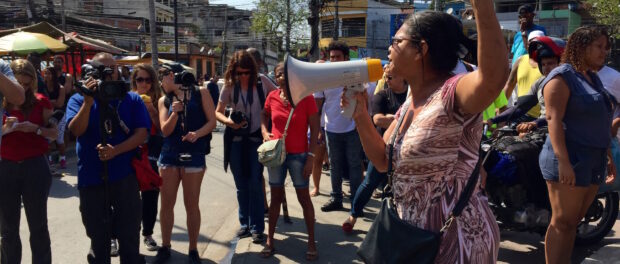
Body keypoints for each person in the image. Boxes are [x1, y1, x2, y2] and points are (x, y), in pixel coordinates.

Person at [343, 3, 508, 262]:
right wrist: (361, 114)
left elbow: (492, 79)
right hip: (411, 238)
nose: (389, 48)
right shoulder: (411, 102)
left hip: (457, 241)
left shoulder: (451, 93)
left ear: (421, 49)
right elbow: (383, 161)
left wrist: (482, 7)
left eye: (397, 41)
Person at [538, 26, 616, 264]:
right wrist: (563, 162)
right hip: (570, 157)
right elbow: (553, 120)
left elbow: (602, 120)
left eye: (606, 48)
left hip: (594, 159)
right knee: (562, 221)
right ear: (582, 47)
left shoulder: (592, 78)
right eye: (599, 47)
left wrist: (609, 157)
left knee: (574, 221)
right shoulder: (562, 77)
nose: (605, 53)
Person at [66, 52, 149, 263]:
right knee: (98, 239)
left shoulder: (131, 98)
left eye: (112, 69)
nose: (109, 74)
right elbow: (75, 130)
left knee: (130, 236)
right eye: (103, 69)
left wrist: (116, 150)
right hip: (91, 179)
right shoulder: (78, 98)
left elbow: (142, 133)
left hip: (124, 177)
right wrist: (88, 101)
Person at [152, 63, 216, 264]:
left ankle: (193, 249)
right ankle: (165, 246)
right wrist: (174, 112)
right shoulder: (164, 100)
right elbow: (165, 130)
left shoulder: (201, 92)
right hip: (169, 155)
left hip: (194, 154)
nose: (160, 82)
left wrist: (197, 134)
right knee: (167, 204)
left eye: (162, 77)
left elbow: (212, 121)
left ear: (171, 76)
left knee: (192, 204)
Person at [259, 63, 320, 260]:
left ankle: (311, 241)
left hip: (299, 156)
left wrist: (311, 157)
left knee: (304, 198)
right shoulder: (272, 96)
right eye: (278, 75)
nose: (281, 78)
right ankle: (270, 240)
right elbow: (264, 114)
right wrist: (264, 131)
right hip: (277, 155)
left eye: (284, 74)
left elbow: (315, 127)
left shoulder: (306, 97)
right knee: (275, 197)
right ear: (275, 78)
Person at [0, 59, 57, 264]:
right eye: (18, 83)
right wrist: (5, 130)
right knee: (8, 229)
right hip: (5, 166)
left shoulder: (41, 101)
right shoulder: (2, 101)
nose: (23, 87)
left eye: (27, 83)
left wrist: (36, 129)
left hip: (34, 166)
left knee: (38, 226)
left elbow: (54, 133)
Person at [215, 50, 274, 243]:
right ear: (233, 72)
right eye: (239, 73)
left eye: (247, 72)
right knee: (241, 186)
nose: (243, 76)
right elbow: (218, 112)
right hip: (236, 140)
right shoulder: (230, 85)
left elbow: (278, 96)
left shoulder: (262, 82)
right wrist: (229, 122)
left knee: (256, 184)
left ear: (253, 70)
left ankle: (258, 227)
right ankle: (245, 225)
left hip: (257, 139)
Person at [341, 67, 408, 233]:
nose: (387, 79)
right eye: (386, 77)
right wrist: (402, 119)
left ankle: (385, 224)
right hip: (382, 148)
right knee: (369, 182)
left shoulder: (411, 95)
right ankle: (353, 215)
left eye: (391, 77)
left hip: (403, 151)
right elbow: (378, 120)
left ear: (403, 77)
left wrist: (391, 119)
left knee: (391, 189)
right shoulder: (382, 95)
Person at [316, 41, 364, 212]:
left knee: (354, 164)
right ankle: (336, 198)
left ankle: (356, 202)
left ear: (345, 58)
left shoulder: (355, 74)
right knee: (334, 165)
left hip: (352, 128)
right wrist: (319, 129)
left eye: (338, 57)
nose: (334, 60)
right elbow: (318, 104)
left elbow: (363, 98)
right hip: (331, 129)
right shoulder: (323, 77)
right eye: (332, 57)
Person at [490, 36, 566, 133]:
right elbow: (521, 107)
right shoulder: (540, 82)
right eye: (543, 64)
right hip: (543, 132)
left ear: (561, 63)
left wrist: (534, 123)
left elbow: (557, 115)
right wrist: (492, 120)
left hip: (563, 134)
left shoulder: (568, 83)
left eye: (550, 63)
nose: (546, 68)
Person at [129, 63, 163, 252]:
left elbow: (162, 129)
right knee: (126, 197)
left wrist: (151, 109)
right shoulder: (127, 99)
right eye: (139, 79)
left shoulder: (159, 100)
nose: (143, 84)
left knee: (150, 195)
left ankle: (147, 233)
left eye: (147, 80)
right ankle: (118, 236)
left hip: (151, 155)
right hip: (131, 152)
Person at [504, 31, 546, 122]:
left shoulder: (548, 64)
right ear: (527, 44)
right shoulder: (520, 60)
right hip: (519, 114)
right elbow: (510, 84)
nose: (535, 46)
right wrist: (501, 108)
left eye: (538, 43)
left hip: (540, 117)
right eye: (531, 42)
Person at [42, 66, 68, 170]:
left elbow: (60, 103)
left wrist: (49, 102)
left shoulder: (60, 88)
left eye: (49, 73)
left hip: (59, 116)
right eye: (45, 73)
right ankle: (50, 160)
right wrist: (52, 102)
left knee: (59, 140)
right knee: (47, 139)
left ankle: (62, 159)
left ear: (53, 75)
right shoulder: (42, 86)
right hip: (46, 115)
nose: (47, 75)